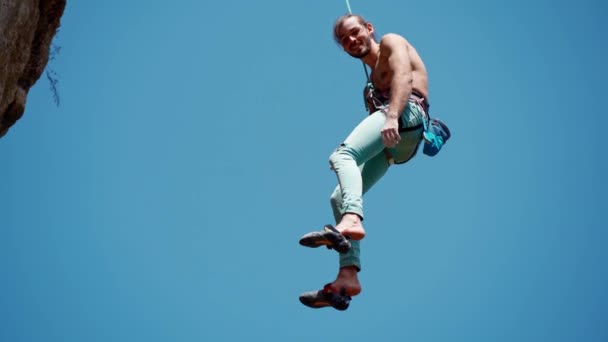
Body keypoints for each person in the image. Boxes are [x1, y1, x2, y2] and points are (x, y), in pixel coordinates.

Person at [298, 13, 450, 311]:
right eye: (344, 40)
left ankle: (352, 218)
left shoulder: (393, 42)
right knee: (339, 196)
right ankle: (347, 275)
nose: (352, 41)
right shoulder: (368, 88)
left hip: (407, 116)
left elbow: (404, 78)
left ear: (369, 29)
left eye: (355, 33)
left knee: (342, 155)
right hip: (397, 147)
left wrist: (391, 116)